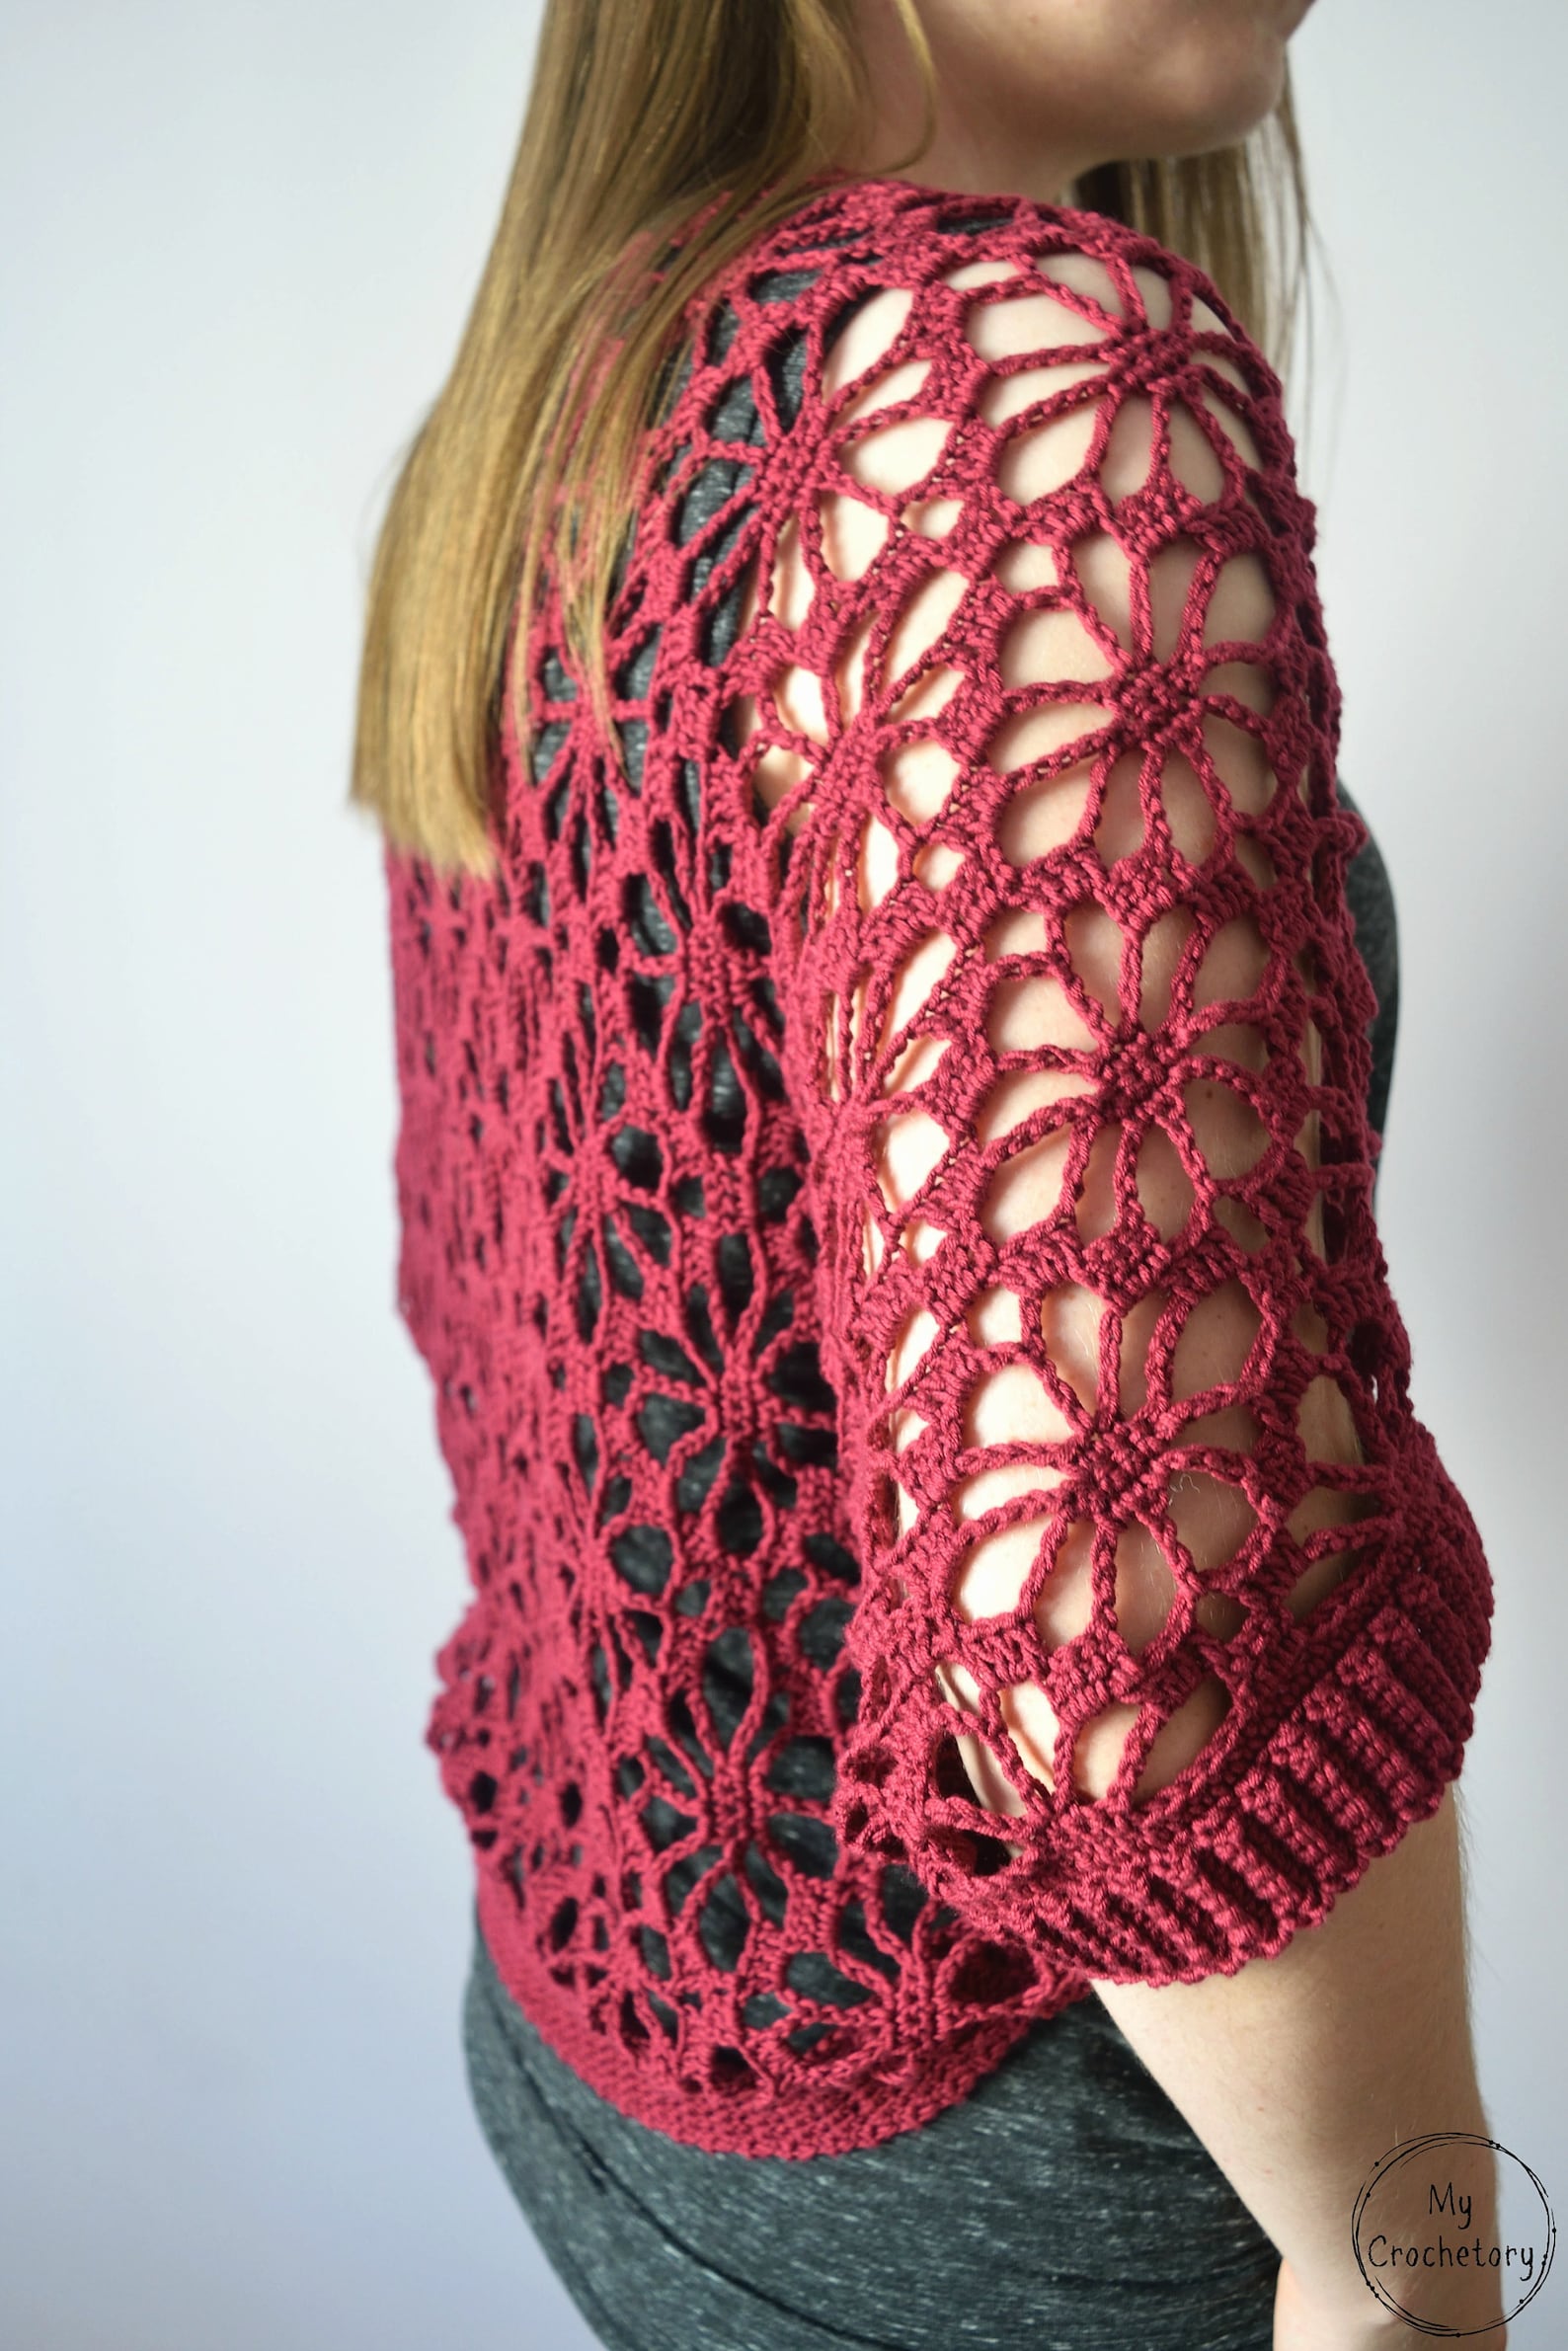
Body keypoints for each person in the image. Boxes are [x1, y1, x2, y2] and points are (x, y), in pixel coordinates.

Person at [350, 3, 1506, 2345]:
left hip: (605, 2029)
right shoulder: (1007, 385)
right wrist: (1406, 2264)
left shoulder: (572, 391)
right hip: (1004, 2153)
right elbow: (1129, 1654)